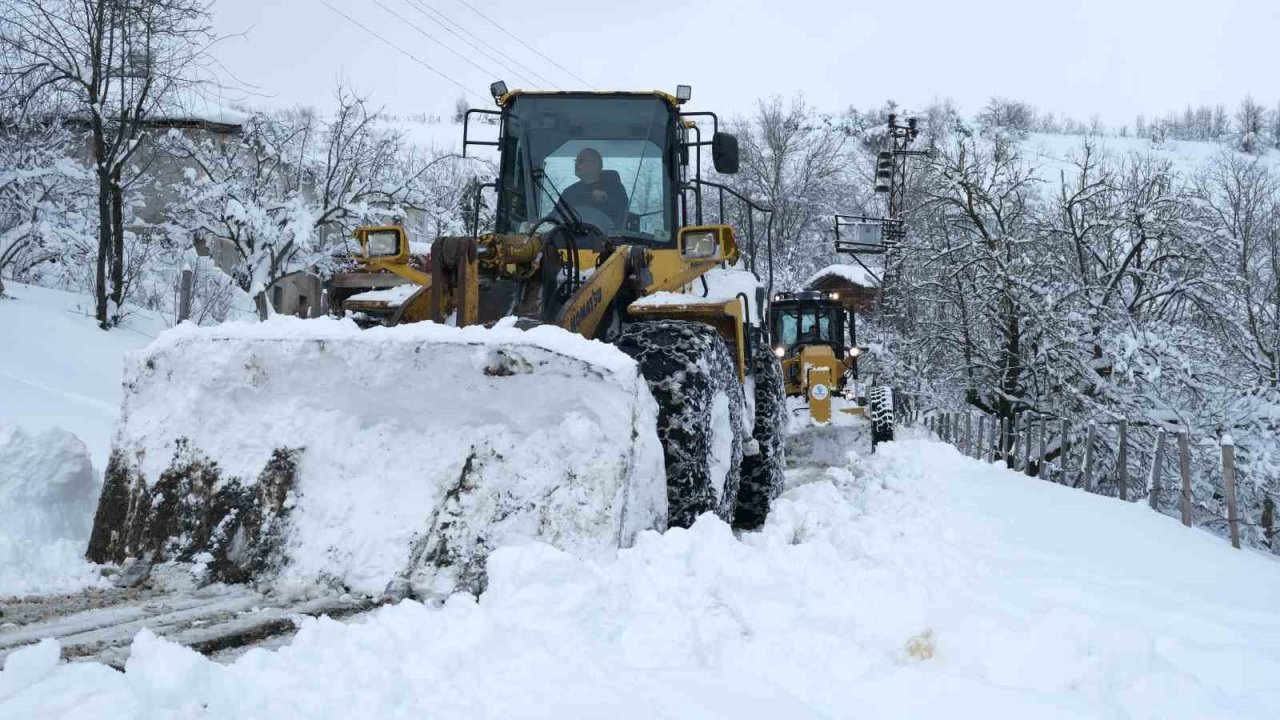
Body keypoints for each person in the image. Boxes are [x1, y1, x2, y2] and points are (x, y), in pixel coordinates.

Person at [558, 148, 628, 227]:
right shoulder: (569, 192)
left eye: (580, 160)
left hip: (607, 237)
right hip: (572, 237)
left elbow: (622, 214)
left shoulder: (615, 188)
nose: (576, 164)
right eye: (576, 161)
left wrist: (605, 202)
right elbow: (554, 217)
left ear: (596, 164)